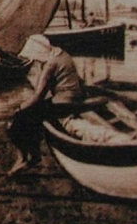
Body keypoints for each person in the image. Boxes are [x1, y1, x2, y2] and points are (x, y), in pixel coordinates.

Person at [7, 34, 84, 175]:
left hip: (62, 104)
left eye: (36, 58)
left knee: (18, 119)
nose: (36, 61)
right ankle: (30, 155)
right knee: (33, 114)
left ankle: (29, 156)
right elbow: (79, 81)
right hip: (74, 100)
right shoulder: (64, 55)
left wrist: (19, 108)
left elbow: (38, 96)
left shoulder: (50, 64)